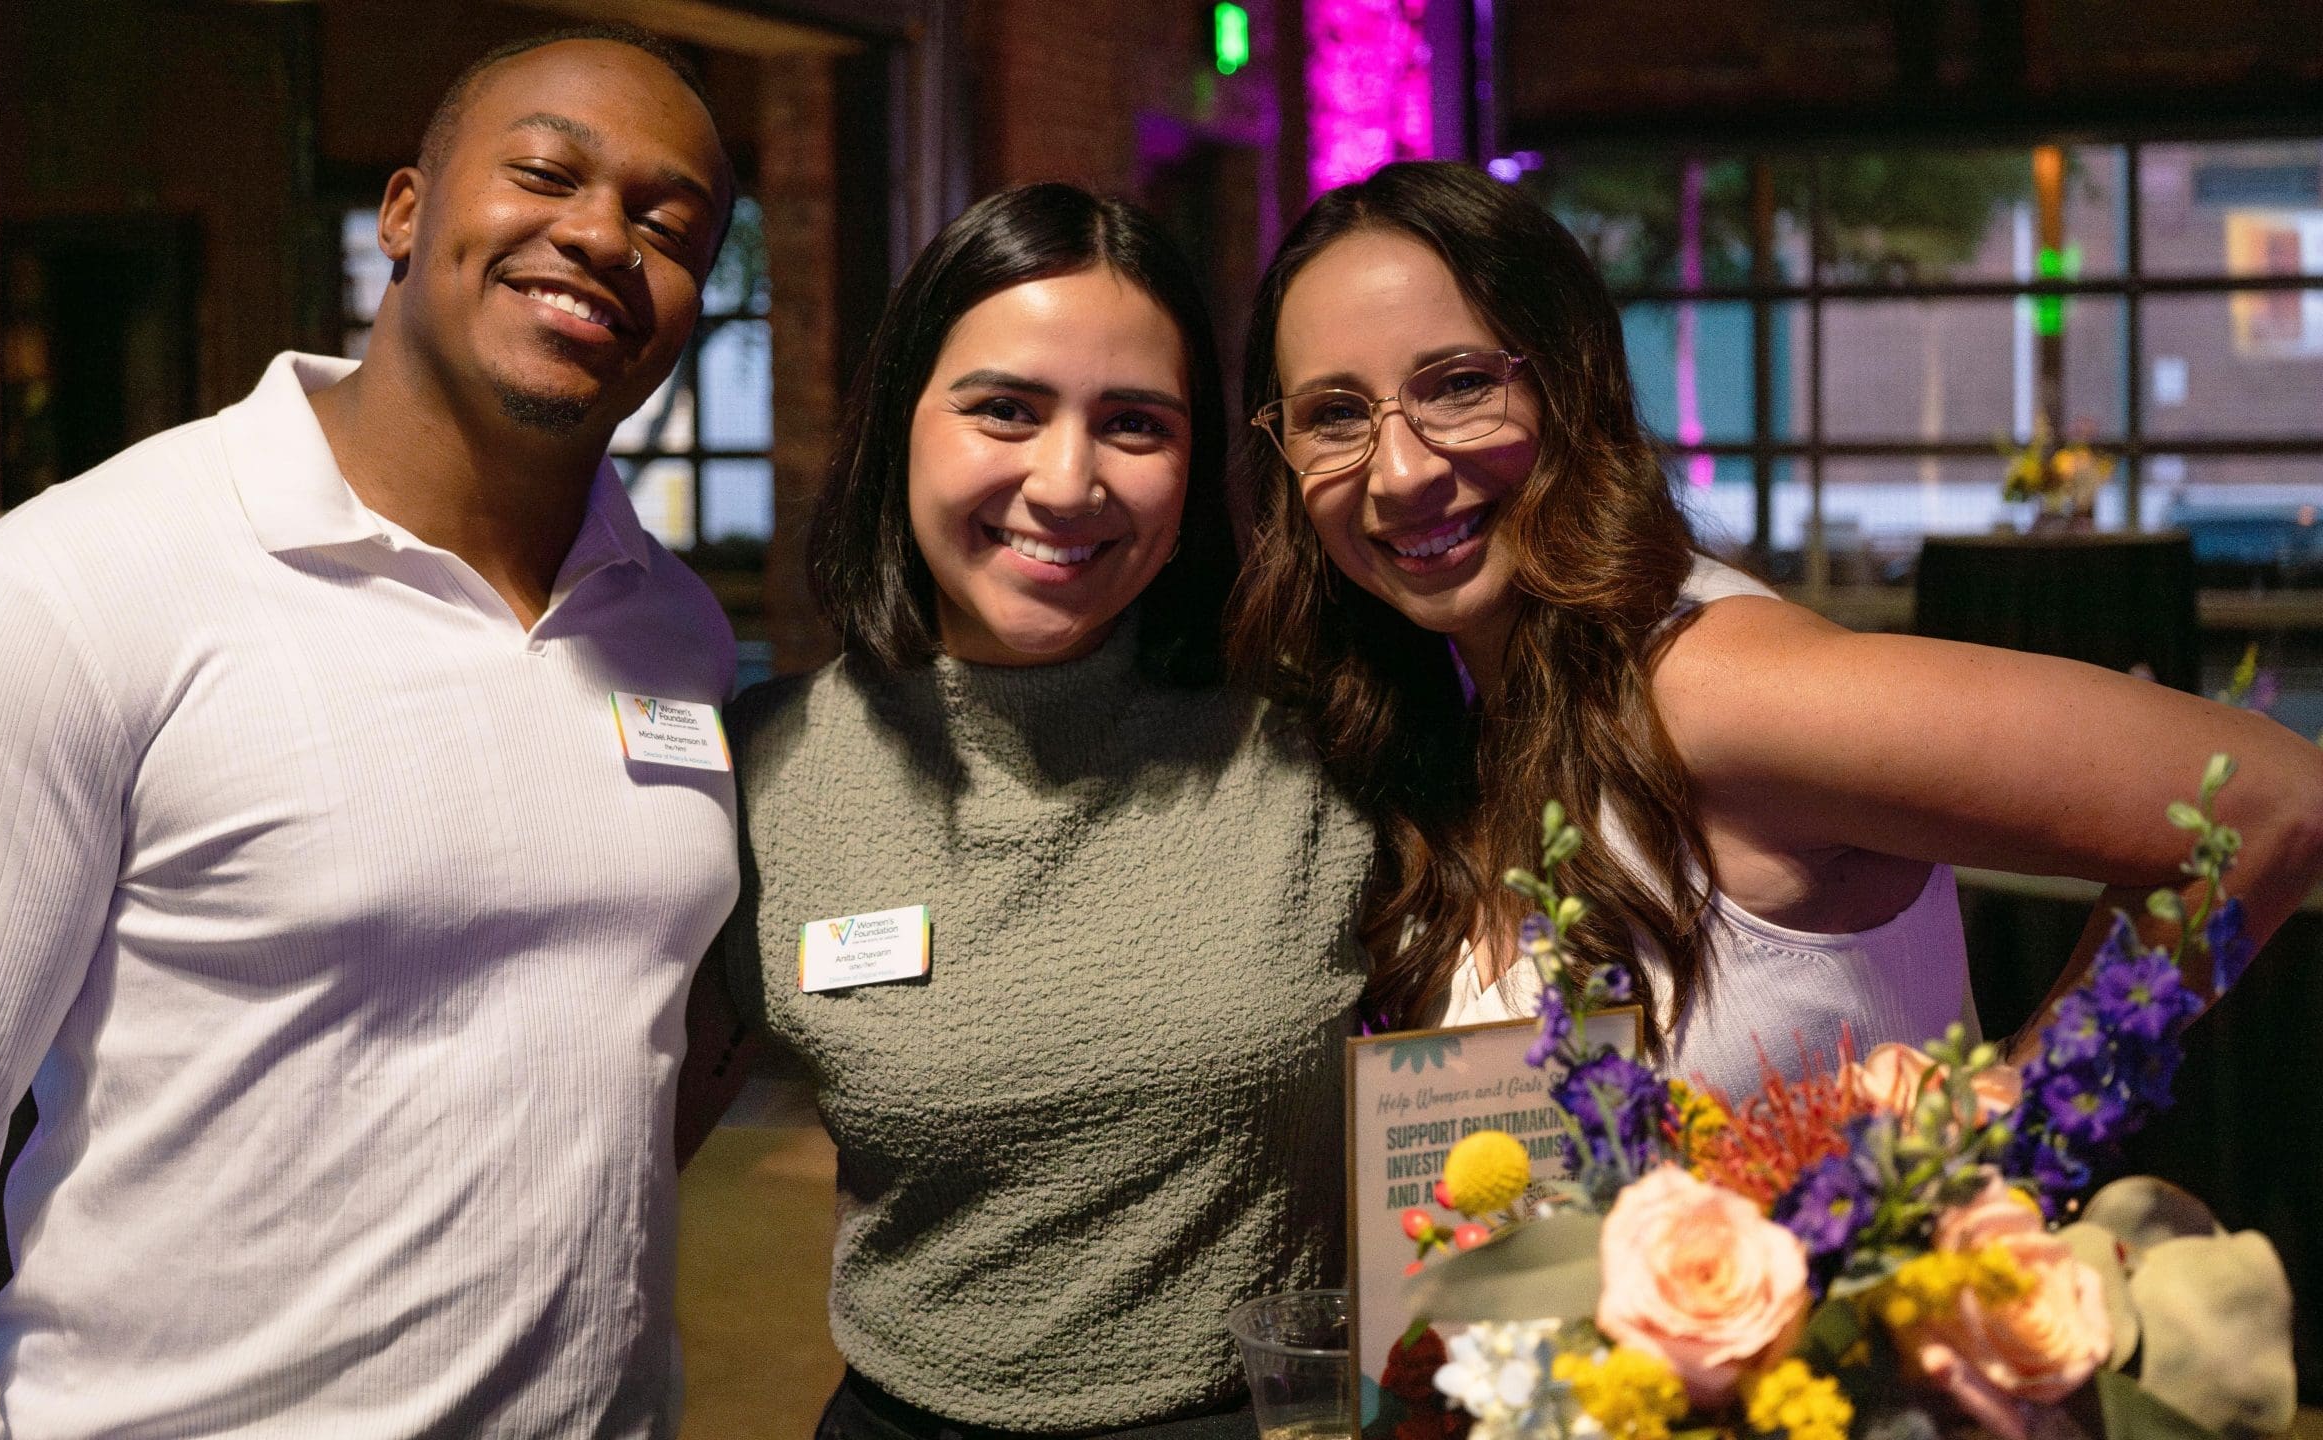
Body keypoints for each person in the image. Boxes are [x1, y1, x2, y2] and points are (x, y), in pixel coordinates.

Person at [0, 27, 740, 1437]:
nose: (600, 236)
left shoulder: (670, 627)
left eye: (669, 226)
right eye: (545, 173)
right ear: (403, 212)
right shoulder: (73, 592)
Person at [1230, 161, 2323, 1099]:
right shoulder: (1451, 715)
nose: (1400, 470)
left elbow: (2267, 805)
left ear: (1570, 385)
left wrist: (2015, 1128)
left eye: (1460, 385)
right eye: (1334, 414)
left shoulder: (1705, 686)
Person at [679, 184, 1372, 1440]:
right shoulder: (766, 769)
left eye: (1134, 424)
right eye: (1004, 409)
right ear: (900, 424)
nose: (1066, 482)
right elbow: (607, 1158)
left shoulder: (1323, 740)